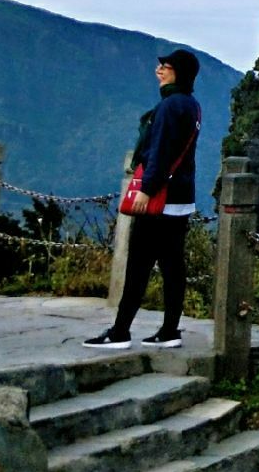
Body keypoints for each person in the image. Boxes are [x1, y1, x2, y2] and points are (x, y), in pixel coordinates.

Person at [86, 49, 202, 349]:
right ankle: (169, 330)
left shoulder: (168, 106)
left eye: (165, 66)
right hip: (181, 197)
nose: (158, 70)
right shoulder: (191, 105)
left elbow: (160, 151)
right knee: (173, 267)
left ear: (179, 72)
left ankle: (120, 331)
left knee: (138, 265)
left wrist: (146, 189)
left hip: (158, 199)